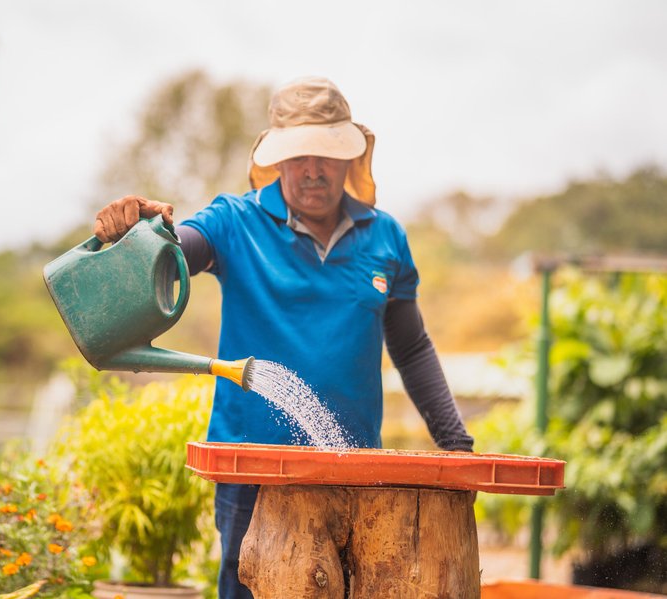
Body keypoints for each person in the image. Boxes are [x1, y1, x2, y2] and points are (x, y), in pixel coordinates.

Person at [93, 76, 474, 599]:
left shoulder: (385, 236)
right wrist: (143, 233)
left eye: (326, 155)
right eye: (298, 157)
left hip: (353, 469)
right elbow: (179, 252)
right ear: (277, 159)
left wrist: (456, 444)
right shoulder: (236, 222)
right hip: (251, 472)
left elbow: (411, 347)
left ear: (347, 158)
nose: (312, 170)